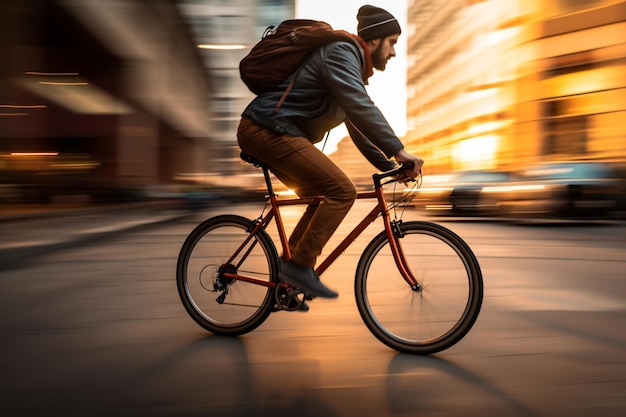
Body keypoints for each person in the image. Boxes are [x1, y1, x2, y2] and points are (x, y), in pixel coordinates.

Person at [237, 5, 424, 303]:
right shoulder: (341, 52)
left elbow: (358, 128)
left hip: (275, 131)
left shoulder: (349, 67)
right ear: (374, 41)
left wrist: (390, 165)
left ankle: (291, 269)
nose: (394, 53)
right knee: (342, 191)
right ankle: (298, 267)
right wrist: (399, 150)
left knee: (320, 195)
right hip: (265, 129)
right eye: (392, 43)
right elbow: (360, 107)